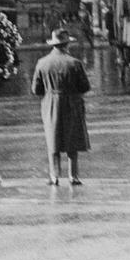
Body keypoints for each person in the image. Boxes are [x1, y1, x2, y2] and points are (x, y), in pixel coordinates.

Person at [31, 29, 90, 186]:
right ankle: (73, 176)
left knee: (53, 140)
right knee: (72, 140)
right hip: (72, 103)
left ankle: (54, 176)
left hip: (50, 103)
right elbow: (85, 86)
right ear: (67, 44)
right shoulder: (75, 63)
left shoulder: (42, 63)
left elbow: (36, 90)